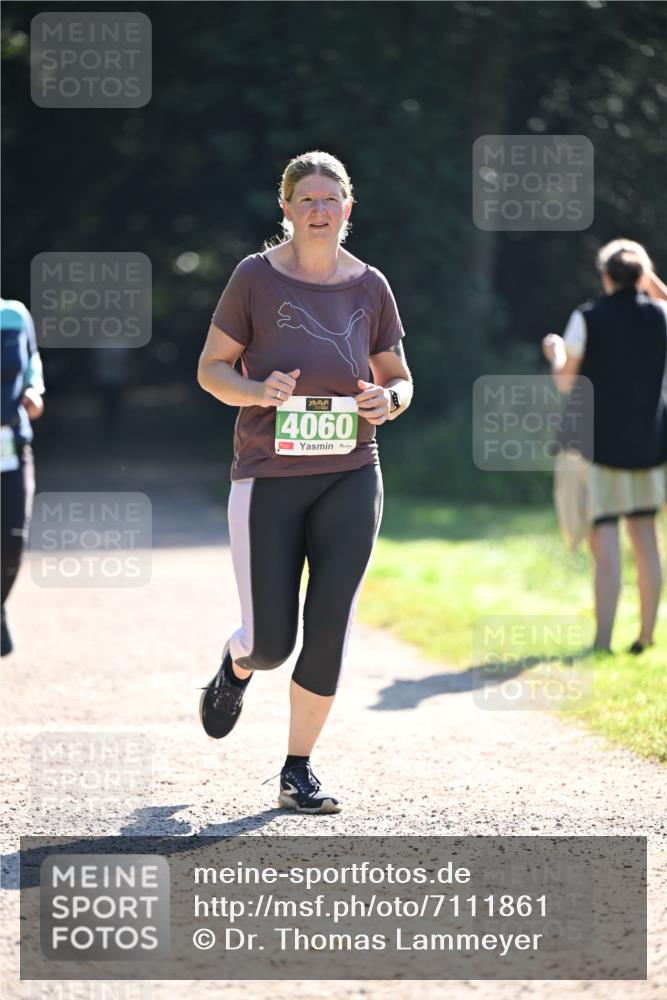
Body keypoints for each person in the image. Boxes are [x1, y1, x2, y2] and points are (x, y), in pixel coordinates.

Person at [197, 151, 413, 812]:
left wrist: (391, 400)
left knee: (329, 627)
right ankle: (235, 666)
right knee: (270, 643)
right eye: (307, 200)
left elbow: (398, 375)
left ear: (348, 210)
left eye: (331, 200)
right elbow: (212, 370)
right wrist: (258, 390)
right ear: (286, 209)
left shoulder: (370, 284)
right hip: (268, 475)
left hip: (351, 470)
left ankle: (298, 769)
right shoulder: (253, 278)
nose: (319, 211)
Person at [543, 239, 667, 654]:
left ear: (605, 275)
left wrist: (555, 351)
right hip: (649, 446)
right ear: (641, 276)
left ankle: (602, 642)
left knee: (607, 544)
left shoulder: (588, 316)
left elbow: (565, 382)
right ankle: (647, 636)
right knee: (647, 541)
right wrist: (648, 278)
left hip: (599, 447)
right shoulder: (661, 315)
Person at [1, 298, 46, 656]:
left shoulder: (14, 315)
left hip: (11, 446)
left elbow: (31, 360)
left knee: (12, 541)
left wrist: (34, 389)